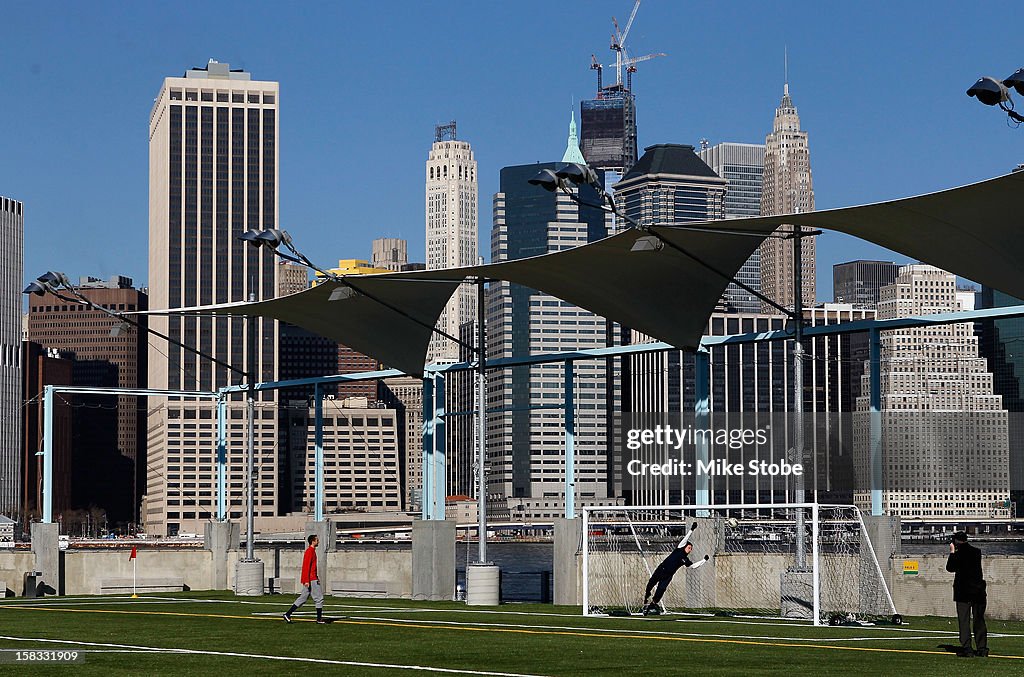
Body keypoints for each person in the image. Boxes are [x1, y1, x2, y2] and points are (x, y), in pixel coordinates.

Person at [641, 521, 710, 615]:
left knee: (660, 591)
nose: (690, 550)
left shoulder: (685, 559)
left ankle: (651, 605)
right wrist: (691, 530)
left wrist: (704, 560)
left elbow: (693, 566)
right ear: (685, 546)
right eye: (689, 547)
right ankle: (646, 596)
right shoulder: (680, 548)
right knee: (651, 583)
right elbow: (685, 539)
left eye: (691, 548)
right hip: (662, 569)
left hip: (668, 575)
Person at [945, 531, 987, 658]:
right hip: (978, 591)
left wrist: (952, 552)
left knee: (964, 621)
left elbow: (950, 567)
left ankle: (967, 648)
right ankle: (982, 648)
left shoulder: (958, 554)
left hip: (963, 592)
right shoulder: (976, 552)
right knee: (979, 620)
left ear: (956, 542)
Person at [284, 534, 325, 624]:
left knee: (303, 598)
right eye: (317, 540)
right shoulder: (310, 551)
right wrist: (306, 580)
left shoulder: (312, 551)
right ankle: (319, 619)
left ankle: (288, 614)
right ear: (313, 541)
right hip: (311, 579)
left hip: (312, 578)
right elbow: (306, 567)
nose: (318, 541)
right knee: (319, 598)